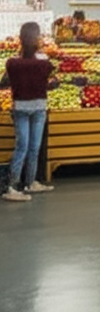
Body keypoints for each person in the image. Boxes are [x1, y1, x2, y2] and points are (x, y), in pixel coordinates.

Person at [3, 22, 55, 202]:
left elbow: (7, 79)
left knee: (23, 146)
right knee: (33, 147)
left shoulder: (12, 63)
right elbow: (51, 75)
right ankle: (27, 182)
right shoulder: (44, 63)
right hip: (39, 107)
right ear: (36, 40)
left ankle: (15, 184)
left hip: (20, 108)